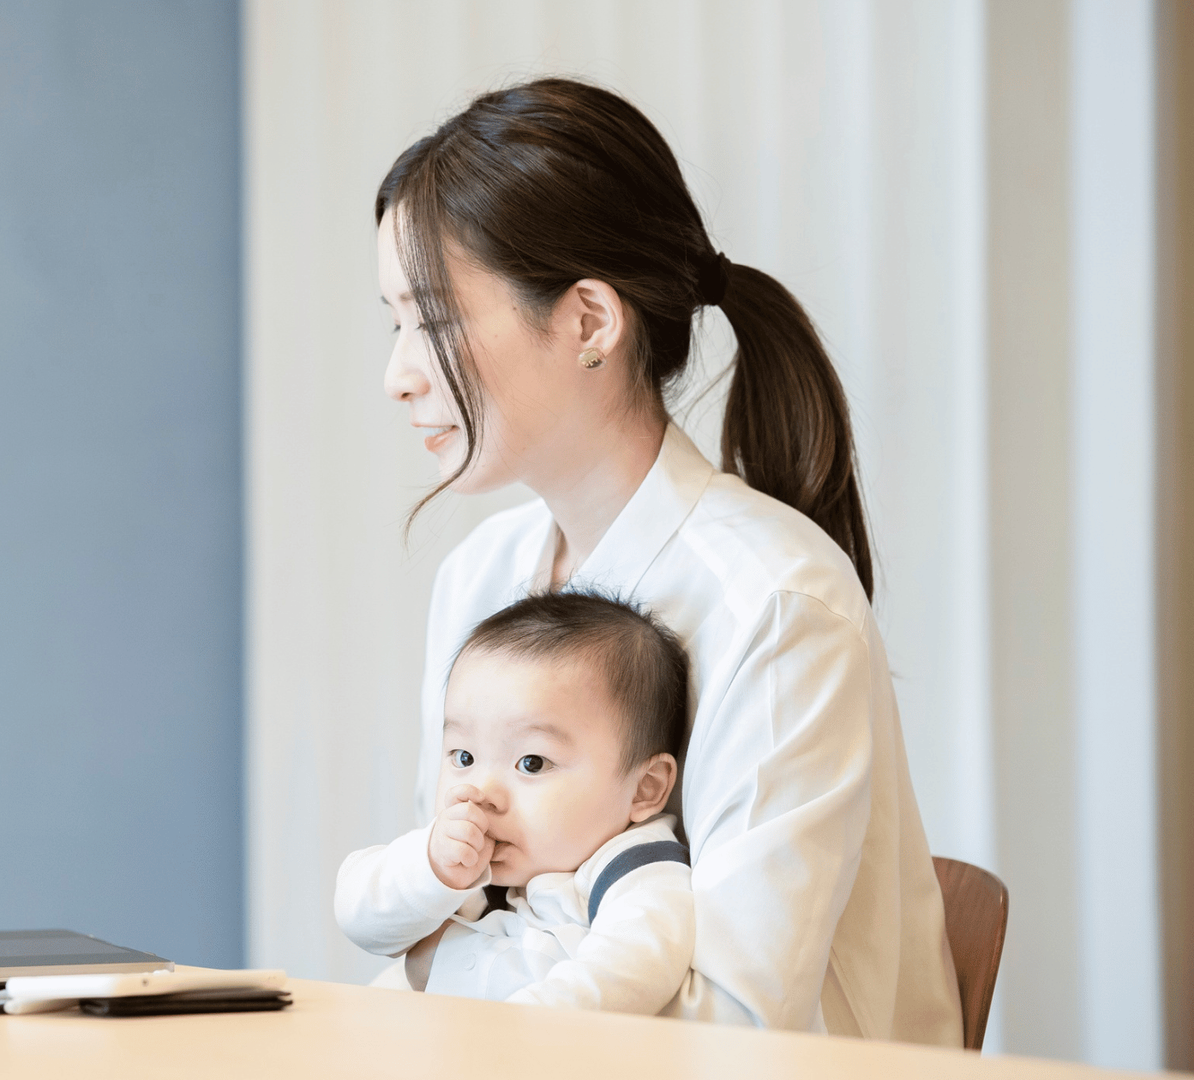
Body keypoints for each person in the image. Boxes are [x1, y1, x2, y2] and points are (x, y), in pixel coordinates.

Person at [374, 77, 962, 1043]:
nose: (398, 376)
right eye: (393, 323)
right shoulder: (480, 576)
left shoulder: (777, 603)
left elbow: (733, 1027)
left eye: (432, 321)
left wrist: (451, 968)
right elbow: (450, 900)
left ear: (591, 321)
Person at [335, 591, 695, 1013]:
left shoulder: (634, 871)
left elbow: (625, 975)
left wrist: (498, 1013)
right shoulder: (465, 862)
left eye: (532, 762)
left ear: (644, 789)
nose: (483, 792)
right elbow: (361, 922)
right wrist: (432, 867)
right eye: (463, 757)